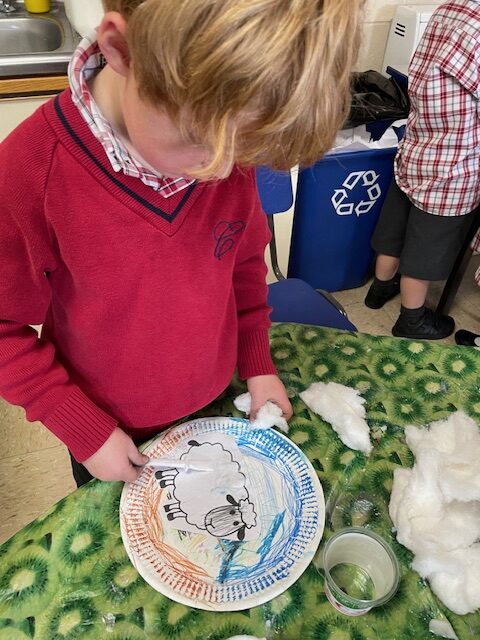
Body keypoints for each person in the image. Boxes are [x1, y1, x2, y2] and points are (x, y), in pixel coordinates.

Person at [0, 0, 364, 486]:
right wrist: (82, 429)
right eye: (201, 139)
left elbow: (242, 263)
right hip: (109, 427)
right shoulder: (30, 173)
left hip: (217, 393)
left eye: (242, 149)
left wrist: (256, 361)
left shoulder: (224, 147)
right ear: (121, 51)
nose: (221, 169)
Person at [364, 0, 480, 340]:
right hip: (452, 166)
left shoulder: (451, 9)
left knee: (395, 229)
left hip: (417, 148)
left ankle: (379, 289)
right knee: (426, 249)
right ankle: (411, 320)